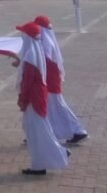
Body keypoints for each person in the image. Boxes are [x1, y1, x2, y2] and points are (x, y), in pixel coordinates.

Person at [14, 22, 69, 176]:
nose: (21, 36)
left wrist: (23, 99)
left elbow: (27, 81)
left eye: (23, 33)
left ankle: (51, 158)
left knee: (38, 131)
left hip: (33, 97)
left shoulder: (31, 53)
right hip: (37, 95)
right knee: (38, 129)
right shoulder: (34, 50)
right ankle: (45, 160)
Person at [33, 15, 88, 144]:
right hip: (50, 79)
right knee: (52, 107)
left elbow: (43, 61)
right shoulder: (47, 40)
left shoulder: (46, 42)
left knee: (58, 107)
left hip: (49, 80)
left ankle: (78, 130)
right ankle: (46, 132)